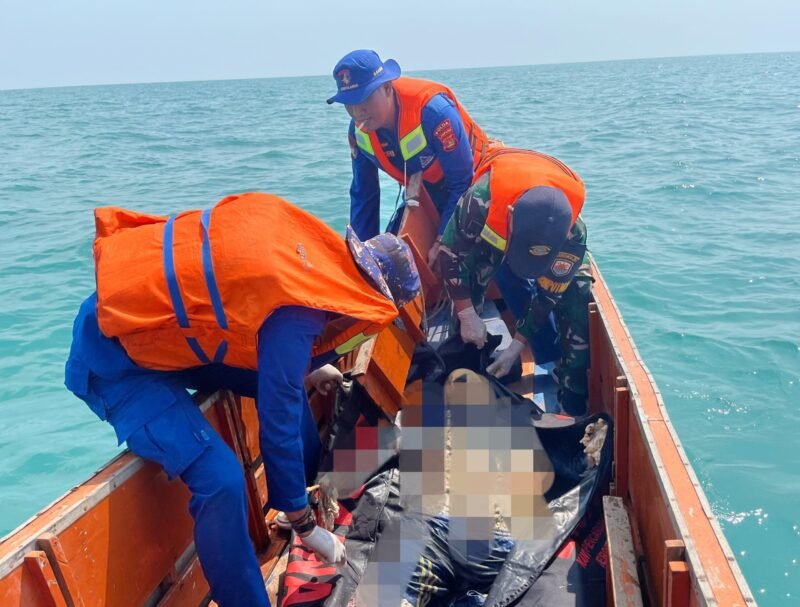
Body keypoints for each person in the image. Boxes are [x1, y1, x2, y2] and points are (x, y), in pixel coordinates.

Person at [64, 192, 420, 607]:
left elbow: (261, 327)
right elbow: (279, 409)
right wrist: (305, 527)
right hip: (113, 361)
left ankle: (307, 490)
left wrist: (306, 365)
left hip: (165, 339)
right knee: (222, 479)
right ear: (372, 298)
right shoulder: (301, 311)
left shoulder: (317, 262)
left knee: (284, 388)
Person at [434, 147, 592, 415]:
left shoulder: (573, 233)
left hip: (540, 227)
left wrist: (515, 347)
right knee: (469, 275)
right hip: (494, 223)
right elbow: (450, 256)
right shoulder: (480, 201)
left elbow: (547, 296)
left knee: (577, 291)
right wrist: (468, 314)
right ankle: (466, 370)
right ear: (509, 214)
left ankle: (571, 396)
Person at [327, 49, 492, 263]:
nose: (357, 111)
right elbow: (364, 193)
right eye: (349, 103)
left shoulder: (434, 113)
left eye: (364, 99)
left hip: (473, 185)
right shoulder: (358, 133)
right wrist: (361, 256)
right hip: (425, 192)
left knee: (454, 260)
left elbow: (461, 180)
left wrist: (443, 239)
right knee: (389, 258)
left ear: (387, 88)